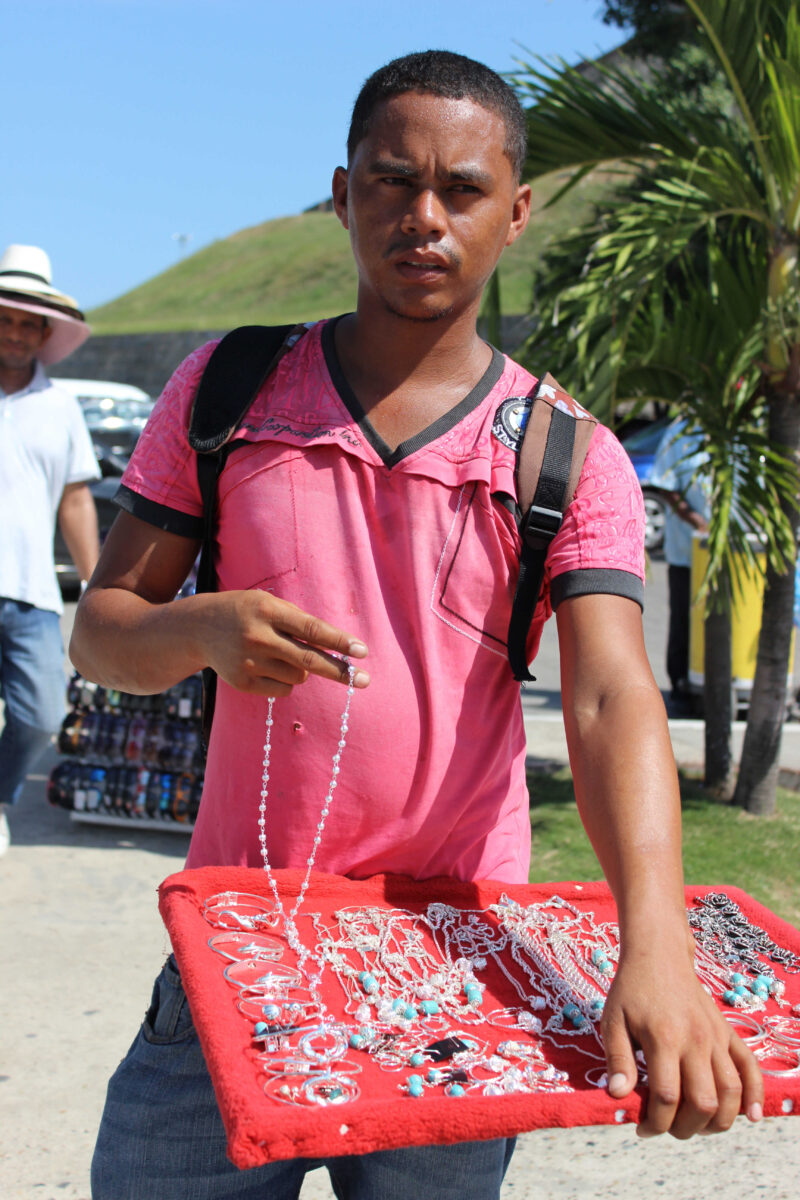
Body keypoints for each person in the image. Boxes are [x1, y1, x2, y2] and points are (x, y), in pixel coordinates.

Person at [71, 51, 763, 1200]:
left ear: (515, 212)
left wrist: (656, 951)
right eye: (392, 182)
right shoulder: (230, 390)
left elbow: (608, 694)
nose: (423, 217)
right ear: (342, 195)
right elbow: (103, 632)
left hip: (449, 959)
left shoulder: (564, 453)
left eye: (461, 189)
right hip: (239, 945)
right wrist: (200, 627)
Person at [0, 244, 100, 856]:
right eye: (4, 319)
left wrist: (97, 587)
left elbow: (76, 500)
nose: (14, 332)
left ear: (43, 332)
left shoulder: (61, 407)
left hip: (32, 593)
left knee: (39, 714)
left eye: (26, 323)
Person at [648, 417, 711, 711]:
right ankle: (681, 686)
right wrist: (697, 521)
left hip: (730, 553)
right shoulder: (680, 433)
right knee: (685, 618)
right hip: (688, 550)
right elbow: (666, 485)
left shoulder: (744, 428)